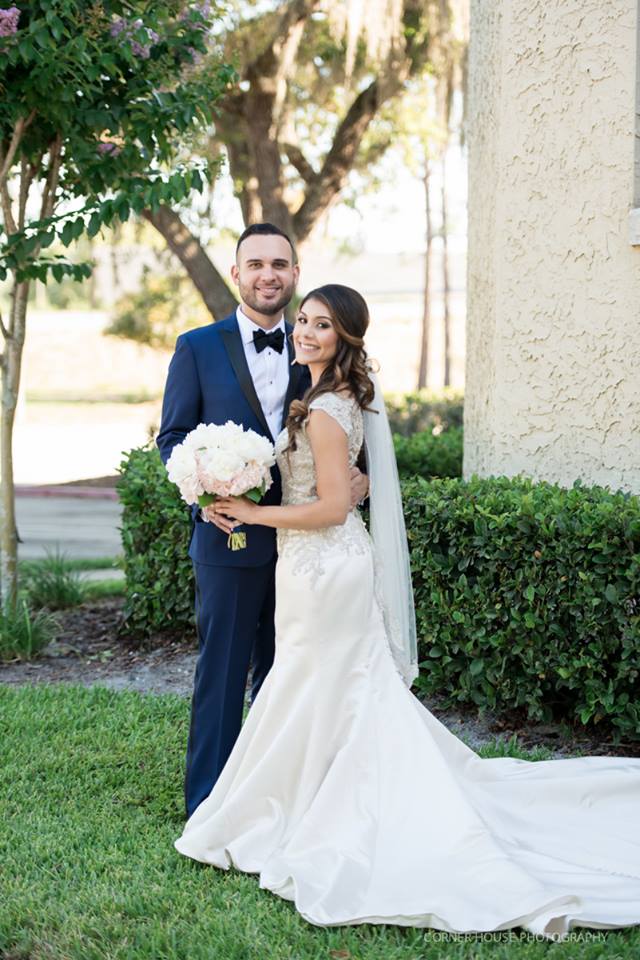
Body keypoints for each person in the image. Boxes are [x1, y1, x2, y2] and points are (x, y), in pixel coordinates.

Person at [174, 283, 640, 941]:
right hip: (312, 564)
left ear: (345, 340)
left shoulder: (329, 410)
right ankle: (306, 798)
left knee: (320, 683)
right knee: (317, 686)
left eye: (322, 326)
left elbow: (333, 506)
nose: (305, 332)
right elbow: (341, 487)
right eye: (303, 321)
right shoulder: (324, 400)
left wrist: (252, 511)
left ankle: (312, 809)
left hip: (325, 564)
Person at [156, 225, 369, 819]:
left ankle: (283, 793)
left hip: (310, 545)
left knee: (291, 671)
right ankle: (209, 801)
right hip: (231, 535)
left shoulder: (320, 347)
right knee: (222, 671)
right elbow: (173, 436)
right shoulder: (197, 347)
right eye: (255, 264)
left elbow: (357, 442)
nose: (267, 274)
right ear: (237, 274)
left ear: (295, 275)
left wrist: (365, 480)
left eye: (280, 263)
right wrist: (203, 494)